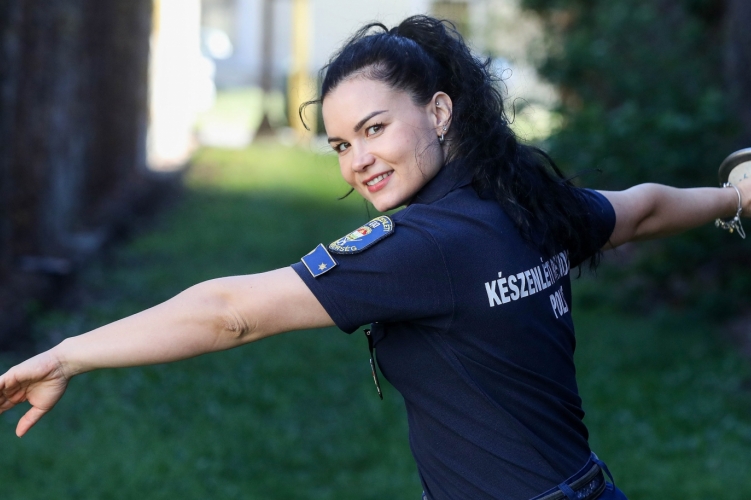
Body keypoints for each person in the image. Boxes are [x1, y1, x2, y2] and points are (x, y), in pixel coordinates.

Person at [0, 15, 748, 500]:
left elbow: (229, 313)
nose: (357, 160)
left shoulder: (425, 246)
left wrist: (68, 354)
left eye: (374, 129)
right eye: (340, 144)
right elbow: (641, 209)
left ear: (439, 110)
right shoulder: (525, 205)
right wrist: (734, 196)